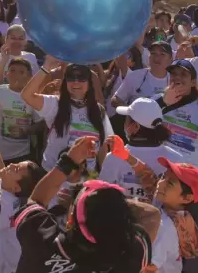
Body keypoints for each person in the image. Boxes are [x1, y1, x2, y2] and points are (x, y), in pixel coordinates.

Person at [14, 136, 160, 273]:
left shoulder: (42, 240)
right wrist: (111, 206)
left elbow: (37, 200)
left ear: (71, 219)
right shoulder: (128, 258)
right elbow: (151, 214)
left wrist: (68, 161)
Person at [22, 57, 112, 172]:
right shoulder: (55, 104)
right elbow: (26, 95)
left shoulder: (99, 110)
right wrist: (46, 67)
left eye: (81, 78)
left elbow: (103, 147)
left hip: (86, 180)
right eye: (71, 78)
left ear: (90, 83)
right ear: (65, 82)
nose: (76, 82)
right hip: (53, 177)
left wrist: (103, 175)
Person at [100, 98, 183, 203]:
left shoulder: (113, 158)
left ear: (135, 127)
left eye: (126, 119)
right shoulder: (176, 158)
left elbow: (102, 196)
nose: (124, 124)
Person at [152, 158, 198, 273]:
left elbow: (149, 267)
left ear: (187, 198)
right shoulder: (167, 207)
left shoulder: (164, 228)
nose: (160, 183)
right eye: (163, 176)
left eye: (170, 183)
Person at [0, 56, 42, 164]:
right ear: (6, 74)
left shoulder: (33, 96)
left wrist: (25, 131)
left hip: (22, 155)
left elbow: (41, 124)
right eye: (12, 70)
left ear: (29, 77)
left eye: (21, 72)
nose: (16, 75)